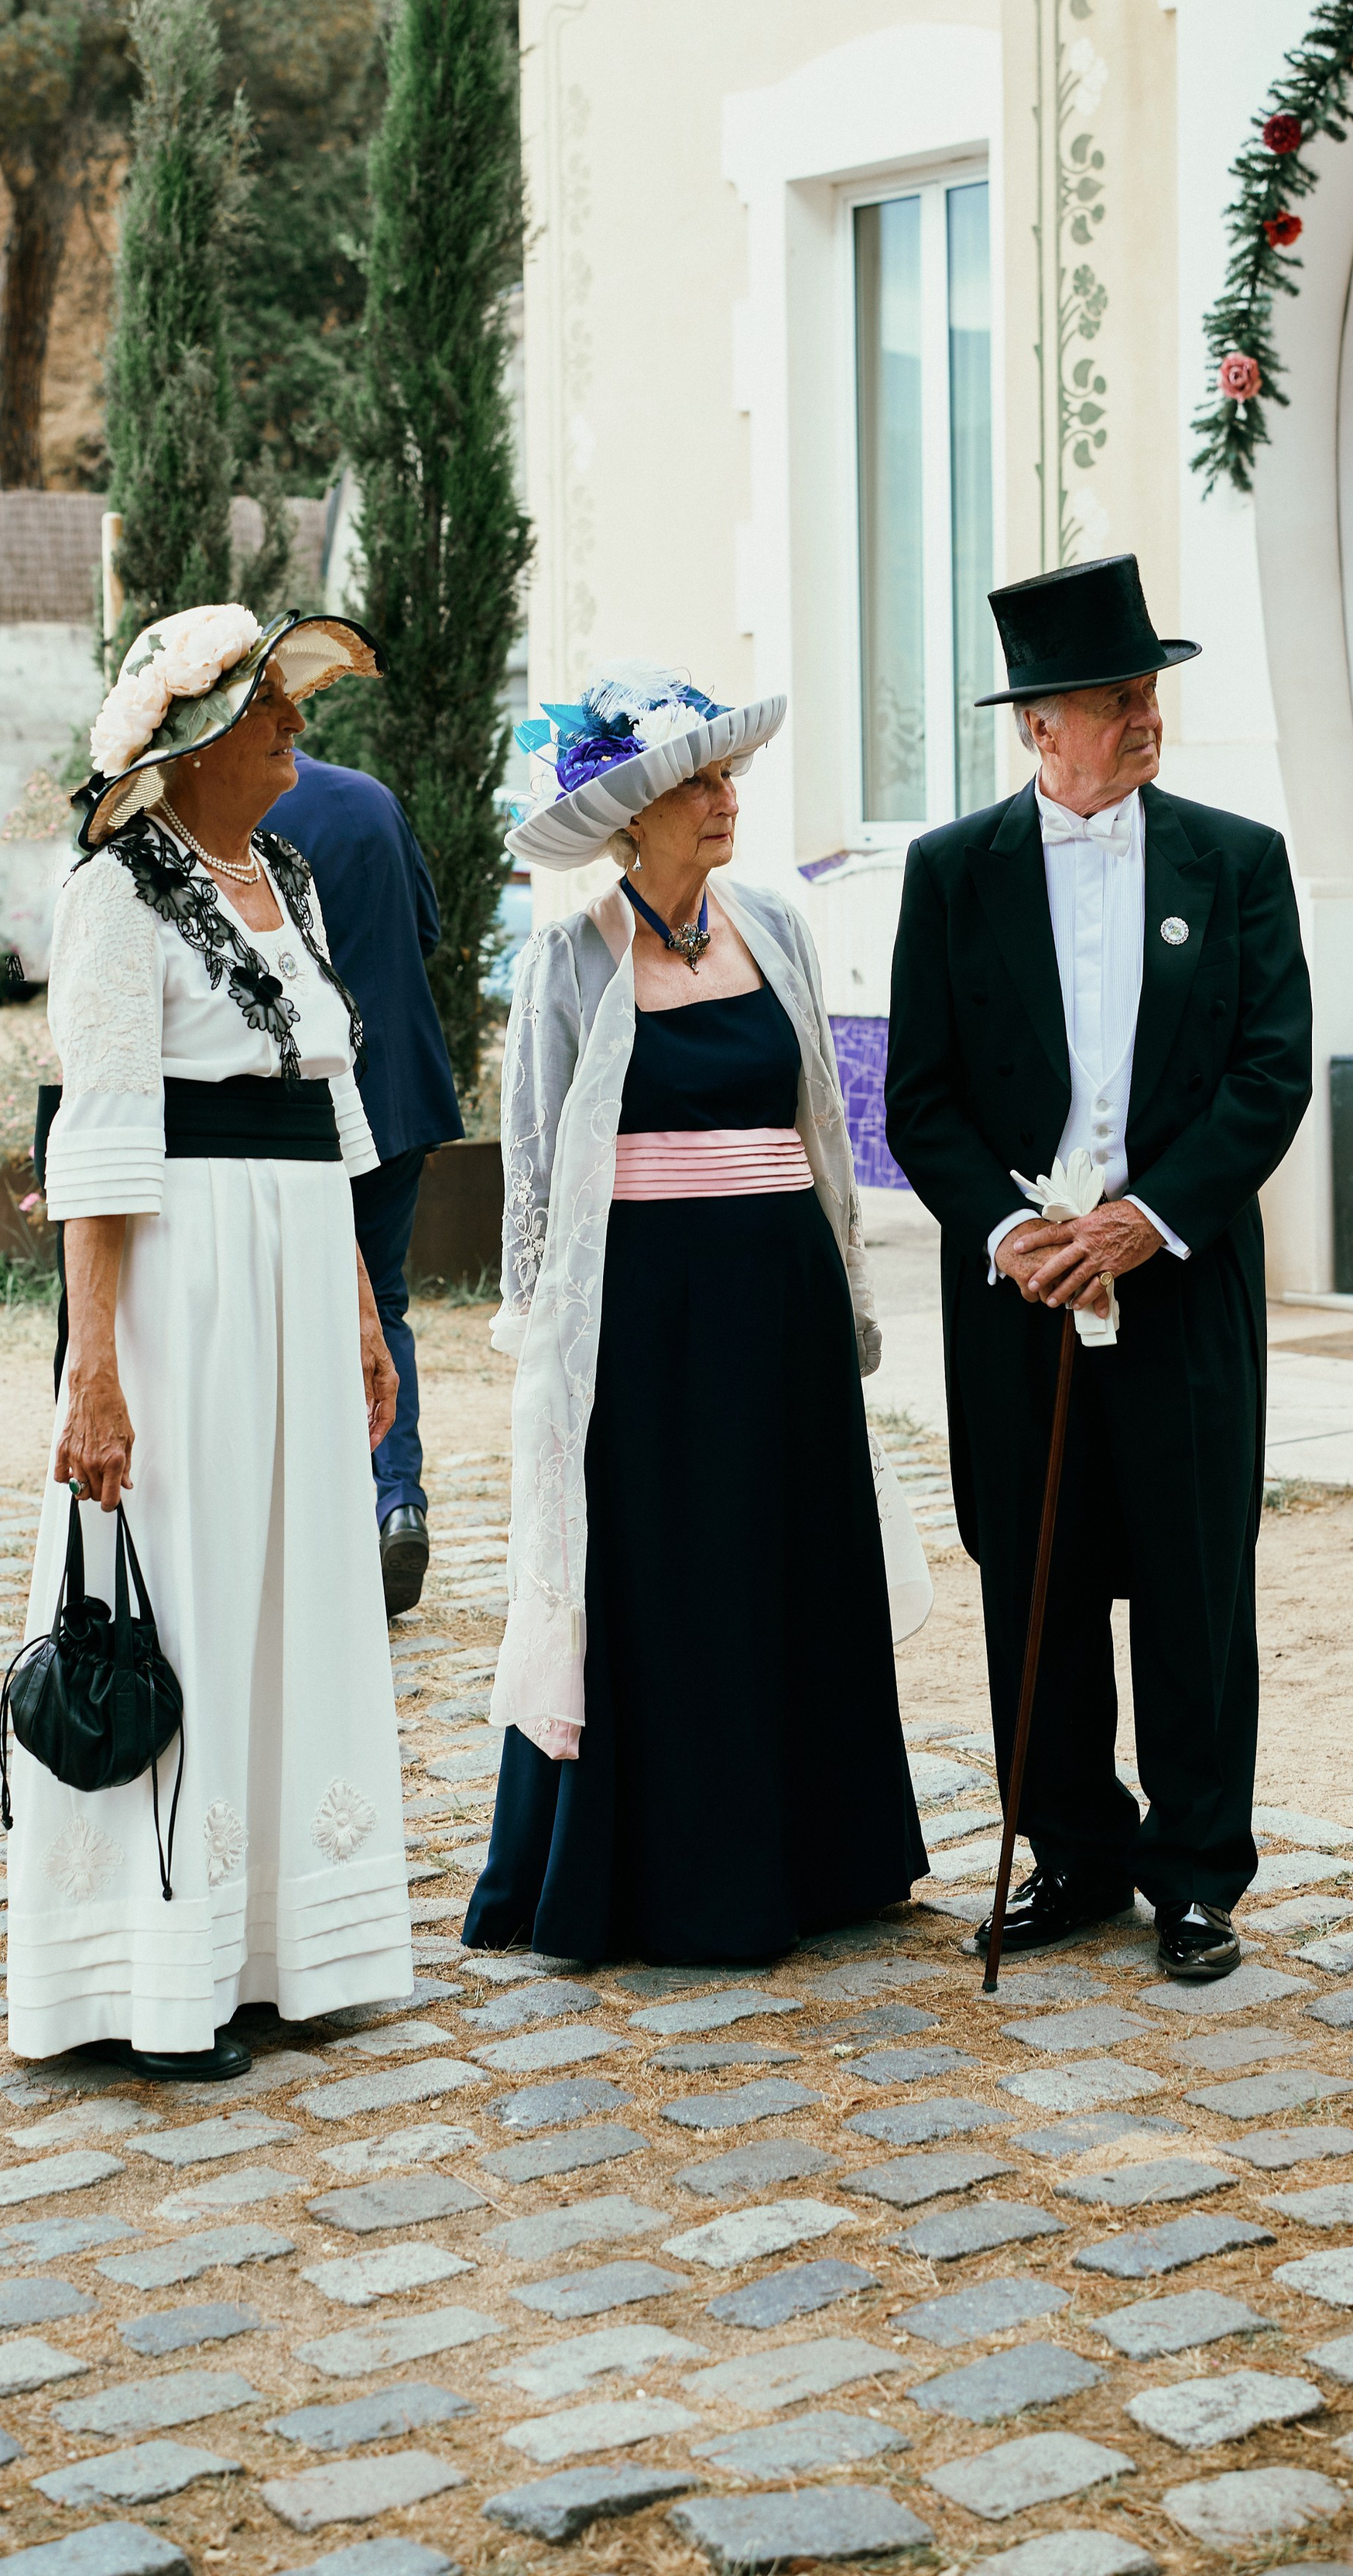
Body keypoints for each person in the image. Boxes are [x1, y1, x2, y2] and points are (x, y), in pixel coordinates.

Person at [884, 555, 1312, 1982]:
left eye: (1147, 691)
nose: (1144, 716)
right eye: (1113, 697)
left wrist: (1150, 1218)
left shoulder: (1236, 861)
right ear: (1037, 726)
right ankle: (1071, 1848)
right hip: (1021, 1290)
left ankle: (1196, 1875)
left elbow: (1269, 1074)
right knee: (1041, 1573)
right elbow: (923, 1100)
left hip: (1178, 1275)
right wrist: (1016, 1238)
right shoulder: (952, 872)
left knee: (1196, 1576)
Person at [463, 660, 927, 1964]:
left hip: (777, 1299)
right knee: (673, 1574)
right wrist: (546, 1340)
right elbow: (544, 1164)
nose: (726, 801)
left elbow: (819, 1123)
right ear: (632, 814)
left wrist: (839, 1297)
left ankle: (826, 1856)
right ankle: (675, 1875)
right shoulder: (568, 958)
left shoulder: (775, 925)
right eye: (699, 785)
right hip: (651, 1319)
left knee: (792, 1560)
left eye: (729, 779)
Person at [8, 602, 413, 2080]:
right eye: (271, 712)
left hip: (301, 1283)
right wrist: (94, 1372)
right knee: (184, 1588)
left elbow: (334, 1106)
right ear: (196, 745)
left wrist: (366, 1317)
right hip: (185, 1295)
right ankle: (155, 1970)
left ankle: (284, 1948)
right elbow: (99, 1142)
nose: (297, 731)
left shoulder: (289, 880)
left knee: (295, 1590)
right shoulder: (118, 895)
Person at [262, 750, 463, 1616]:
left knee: (287, 1318)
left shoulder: (227, 814)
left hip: (295, 1106)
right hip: (399, 1091)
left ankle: (317, 1531)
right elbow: (425, 931)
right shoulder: (372, 797)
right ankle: (397, 1503)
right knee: (380, 1304)